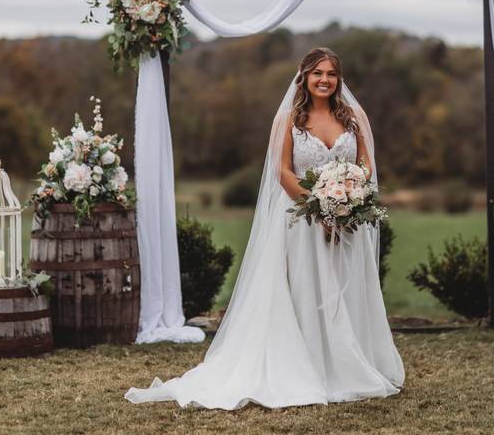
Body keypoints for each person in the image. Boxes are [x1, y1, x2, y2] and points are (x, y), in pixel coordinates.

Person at [125, 47, 403, 409]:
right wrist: (319, 206)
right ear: (303, 76)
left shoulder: (353, 117)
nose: (324, 80)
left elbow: (366, 165)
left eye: (331, 74)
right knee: (307, 291)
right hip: (302, 219)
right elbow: (283, 171)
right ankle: (313, 366)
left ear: (339, 79)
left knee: (344, 289)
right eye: (317, 73)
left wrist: (349, 198)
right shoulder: (289, 117)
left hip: (348, 222)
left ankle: (350, 362)